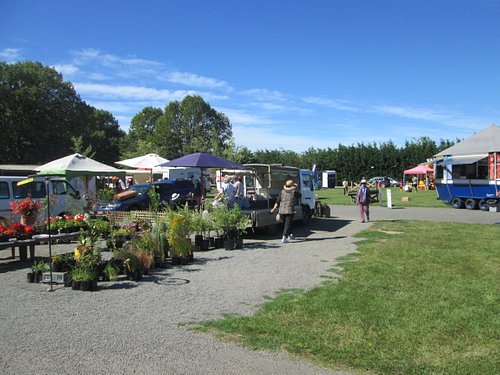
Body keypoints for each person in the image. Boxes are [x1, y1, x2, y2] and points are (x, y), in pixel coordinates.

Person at [270, 180, 301, 244]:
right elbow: (300, 196)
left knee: (286, 224)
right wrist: (297, 188)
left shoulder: (282, 192)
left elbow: (277, 201)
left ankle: (289, 235)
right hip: (289, 211)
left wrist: (273, 209)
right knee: (287, 225)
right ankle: (284, 238)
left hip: (281, 211)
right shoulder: (294, 192)